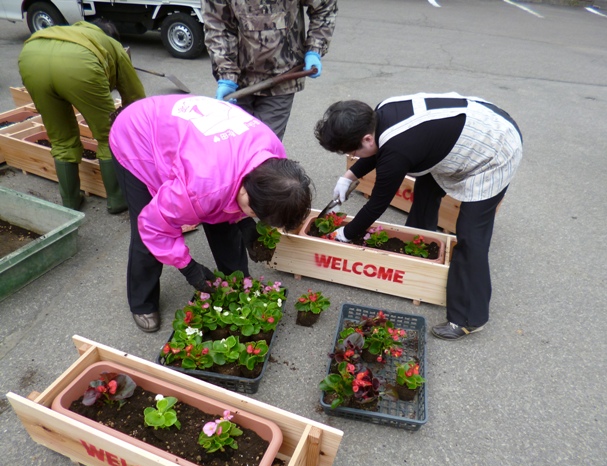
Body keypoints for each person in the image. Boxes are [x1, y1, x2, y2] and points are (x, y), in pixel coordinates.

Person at [315, 92, 523, 341]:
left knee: (470, 234)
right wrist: (349, 176)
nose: (354, 156)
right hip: (479, 120)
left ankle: (468, 318)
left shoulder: (398, 149)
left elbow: (378, 203)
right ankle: (419, 247)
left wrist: (345, 235)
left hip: (494, 148)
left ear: (367, 138)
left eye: (351, 151)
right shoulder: (379, 112)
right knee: (425, 189)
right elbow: (381, 150)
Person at [110, 95, 312, 333]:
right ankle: (142, 302)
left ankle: (235, 281)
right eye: (252, 211)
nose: (250, 215)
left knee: (224, 216)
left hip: (197, 143)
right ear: (247, 188)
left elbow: (233, 205)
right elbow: (155, 226)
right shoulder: (203, 188)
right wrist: (188, 267)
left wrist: (247, 225)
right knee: (147, 232)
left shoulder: (275, 156)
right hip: (137, 135)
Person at [18, 19, 146, 213]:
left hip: (31, 58)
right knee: (108, 136)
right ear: (111, 36)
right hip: (79, 64)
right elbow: (135, 97)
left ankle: (70, 202)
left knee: (61, 139)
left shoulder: (69, 32)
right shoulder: (112, 45)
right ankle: (117, 199)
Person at [202, 0, 338, 140]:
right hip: (238, 82)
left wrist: (315, 48)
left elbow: (324, 6)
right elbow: (217, 26)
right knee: (235, 144)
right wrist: (226, 76)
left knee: (265, 148)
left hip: (283, 78)